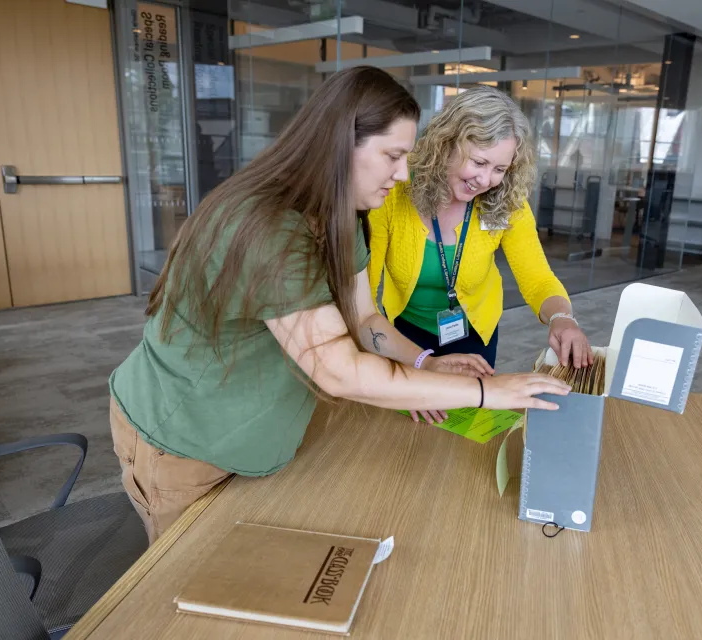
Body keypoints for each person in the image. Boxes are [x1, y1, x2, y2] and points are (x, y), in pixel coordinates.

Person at [108, 67, 569, 544]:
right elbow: (339, 371)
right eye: (393, 155)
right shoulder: (267, 228)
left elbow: (366, 318)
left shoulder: (338, 214)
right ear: (338, 143)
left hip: (250, 431)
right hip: (185, 443)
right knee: (184, 584)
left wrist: (425, 361)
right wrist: (490, 393)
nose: (404, 173)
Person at [367, 86, 593, 381]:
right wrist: (402, 365)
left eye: (500, 168)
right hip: (404, 334)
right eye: (479, 162)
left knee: (467, 418)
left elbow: (538, 280)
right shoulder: (394, 191)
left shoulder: (506, 200)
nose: (486, 180)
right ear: (446, 144)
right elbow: (364, 299)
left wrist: (563, 318)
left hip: (474, 333)